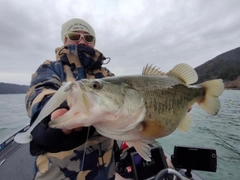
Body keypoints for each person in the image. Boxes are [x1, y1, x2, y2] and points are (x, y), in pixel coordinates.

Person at [25, 18, 117, 180]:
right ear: (65, 39)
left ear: (94, 42)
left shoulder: (107, 75)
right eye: (75, 36)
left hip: (107, 169)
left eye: (88, 38)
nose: (82, 41)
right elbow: (40, 92)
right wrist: (55, 111)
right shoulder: (51, 68)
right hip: (59, 172)